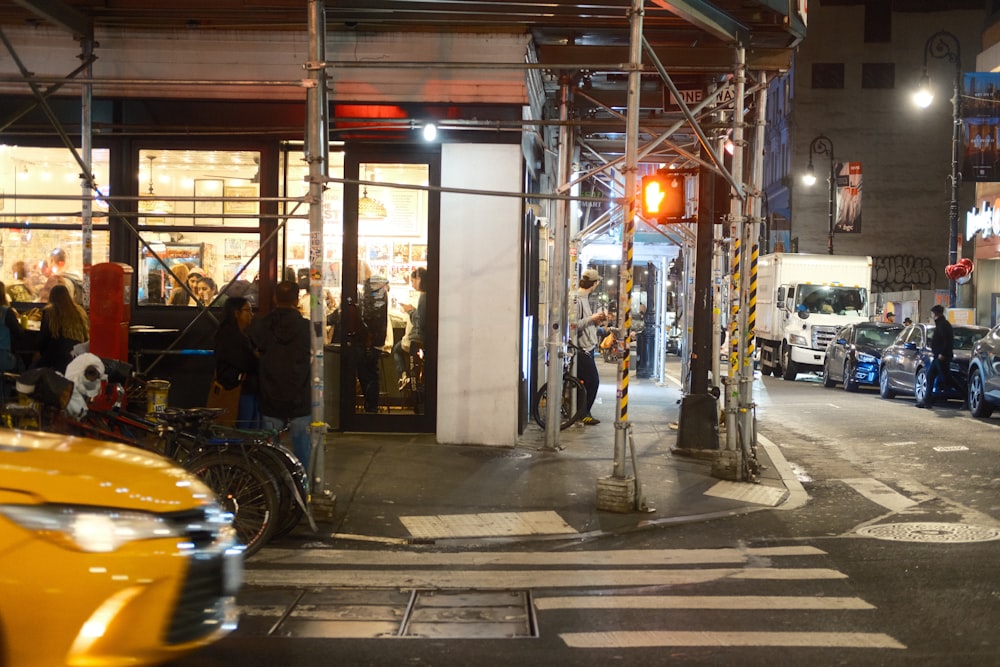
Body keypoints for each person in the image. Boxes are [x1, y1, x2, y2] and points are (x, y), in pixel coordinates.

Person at [246, 280, 311, 467]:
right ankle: (300, 488)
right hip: (300, 393)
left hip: (270, 392)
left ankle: (274, 487)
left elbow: (253, 349)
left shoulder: (261, 325)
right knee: (302, 452)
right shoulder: (306, 328)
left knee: (271, 452)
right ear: (296, 299)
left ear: (275, 298)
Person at [211, 297, 259, 428]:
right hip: (236, 390)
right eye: (247, 310)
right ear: (236, 313)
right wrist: (256, 357)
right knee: (242, 429)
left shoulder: (244, 335)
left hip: (249, 389)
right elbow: (247, 363)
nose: (251, 314)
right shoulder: (229, 337)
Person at [572, 268, 607, 426]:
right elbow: (574, 325)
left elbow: (586, 323)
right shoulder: (577, 299)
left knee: (585, 383)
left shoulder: (585, 298)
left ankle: (582, 412)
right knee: (593, 381)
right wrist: (592, 318)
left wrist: (596, 322)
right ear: (594, 284)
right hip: (581, 348)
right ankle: (583, 414)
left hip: (588, 346)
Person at [32, 283, 89, 374]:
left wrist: (38, 351)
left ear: (52, 297)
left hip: (55, 358)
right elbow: (86, 336)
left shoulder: (50, 311)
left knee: (32, 370)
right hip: (76, 356)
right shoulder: (79, 311)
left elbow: (43, 338)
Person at [393, 267, 427, 391]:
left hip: (418, 339)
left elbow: (421, 322)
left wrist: (411, 311)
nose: (412, 285)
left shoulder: (423, 297)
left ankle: (404, 376)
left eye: (413, 281)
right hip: (421, 339)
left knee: (397, 348)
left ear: (419, 279)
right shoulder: (426, 296)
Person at [916, 304, 956, 409]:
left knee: (947, 379)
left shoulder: (943, 325)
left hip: (941, 357)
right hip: (938, 356)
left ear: (936, 313)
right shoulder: (940, 324)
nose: (931, 315)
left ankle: (965, 396)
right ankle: (927, 401)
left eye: (932, 313)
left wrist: (942, 353)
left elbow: (947, 341)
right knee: (930, 376)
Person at [0, 284, 25, 400]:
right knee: (24, 367)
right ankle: (15, 399)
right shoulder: (6, 312)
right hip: (3, 358)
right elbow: (19, 333)